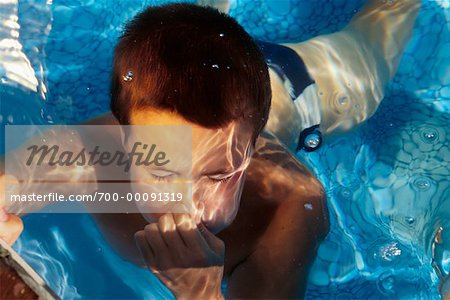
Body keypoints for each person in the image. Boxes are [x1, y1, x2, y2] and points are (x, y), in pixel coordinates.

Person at [0, 0, 420, 298]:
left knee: (383, 32)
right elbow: (10, 183)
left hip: (303, 90)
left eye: (218, 175)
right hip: (226, 92)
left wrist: (200, 294)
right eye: (162, 171)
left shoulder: (288, 210)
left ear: (252, 153)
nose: (189, 205)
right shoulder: (96, 155)